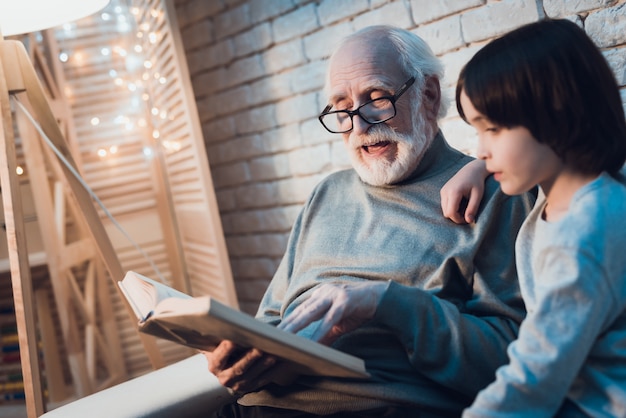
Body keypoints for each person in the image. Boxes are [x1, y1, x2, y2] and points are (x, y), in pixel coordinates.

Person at [206, 25, 536, 417]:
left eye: (377, 99)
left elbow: (507, 359)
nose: (358, 126)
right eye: (341, 108)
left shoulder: (495, 194)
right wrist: (254, 360)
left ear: (428, 95)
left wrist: (389, 304)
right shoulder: (326, 194)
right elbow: (272, 320)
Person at [440, 19, 626, 417]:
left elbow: (535, 378)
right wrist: (477, 169)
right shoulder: (569, 188)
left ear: (557, 115)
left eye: (491, 128)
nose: (481, 149)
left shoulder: (585, 235)